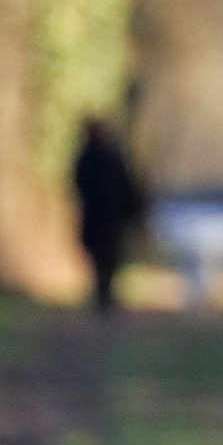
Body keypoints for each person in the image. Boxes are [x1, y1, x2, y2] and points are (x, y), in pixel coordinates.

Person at [73, 118, 144, 315]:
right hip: (102, 218)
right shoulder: (93, 157)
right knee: (103, 258)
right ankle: (103, 295)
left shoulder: (103, 157)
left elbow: (126, 186)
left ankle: (105, 295)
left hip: (107, 219)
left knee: (108, 258)